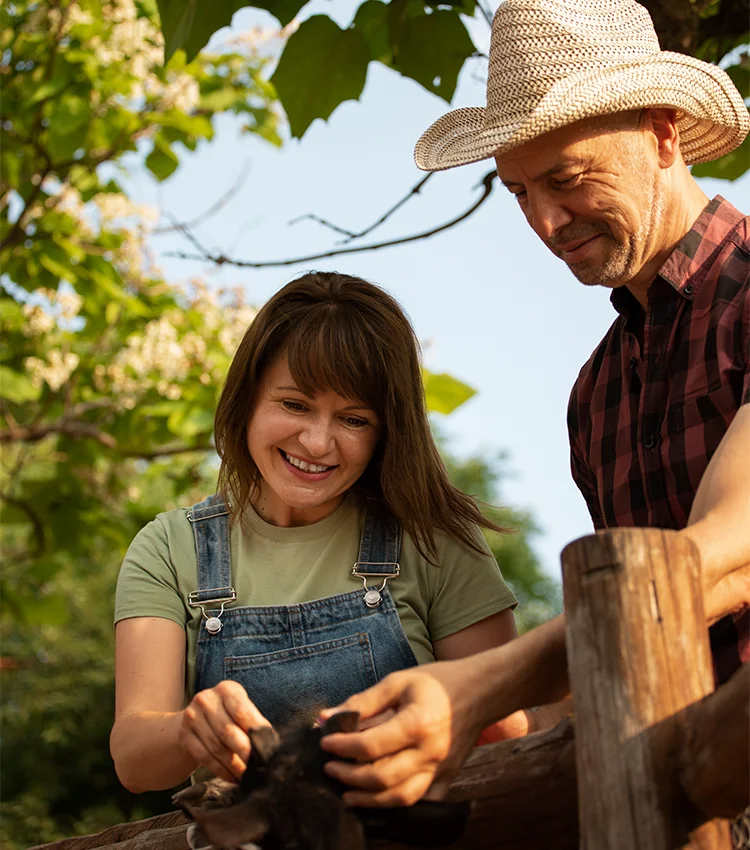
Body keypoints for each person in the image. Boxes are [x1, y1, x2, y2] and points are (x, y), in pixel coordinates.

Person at [317, 0, 750, 822]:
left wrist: (477, 685)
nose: (545, 223)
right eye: (518, 191)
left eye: (568, 178)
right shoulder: (596, 395)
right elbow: (626, 658)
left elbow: (723, 562)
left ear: (662, 133)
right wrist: (398, 742)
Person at [109, 271, 520, 793]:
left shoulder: (433, 539)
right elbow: (135, 761)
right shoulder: (169, 549)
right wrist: (193, 728)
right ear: (248, 398)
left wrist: (423, 722)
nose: (318, 442)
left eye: (353, 420)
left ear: (387, 432)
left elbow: (511, 731)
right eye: (295, 405)